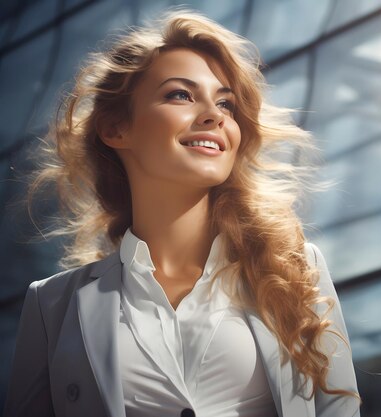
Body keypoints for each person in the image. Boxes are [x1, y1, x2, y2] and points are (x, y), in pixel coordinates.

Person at [3, 9, 361, 417]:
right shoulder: (52, 305)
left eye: (226, 103)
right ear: (117, 129)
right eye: (181, 95)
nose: (214, 115)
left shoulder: (295, 269)